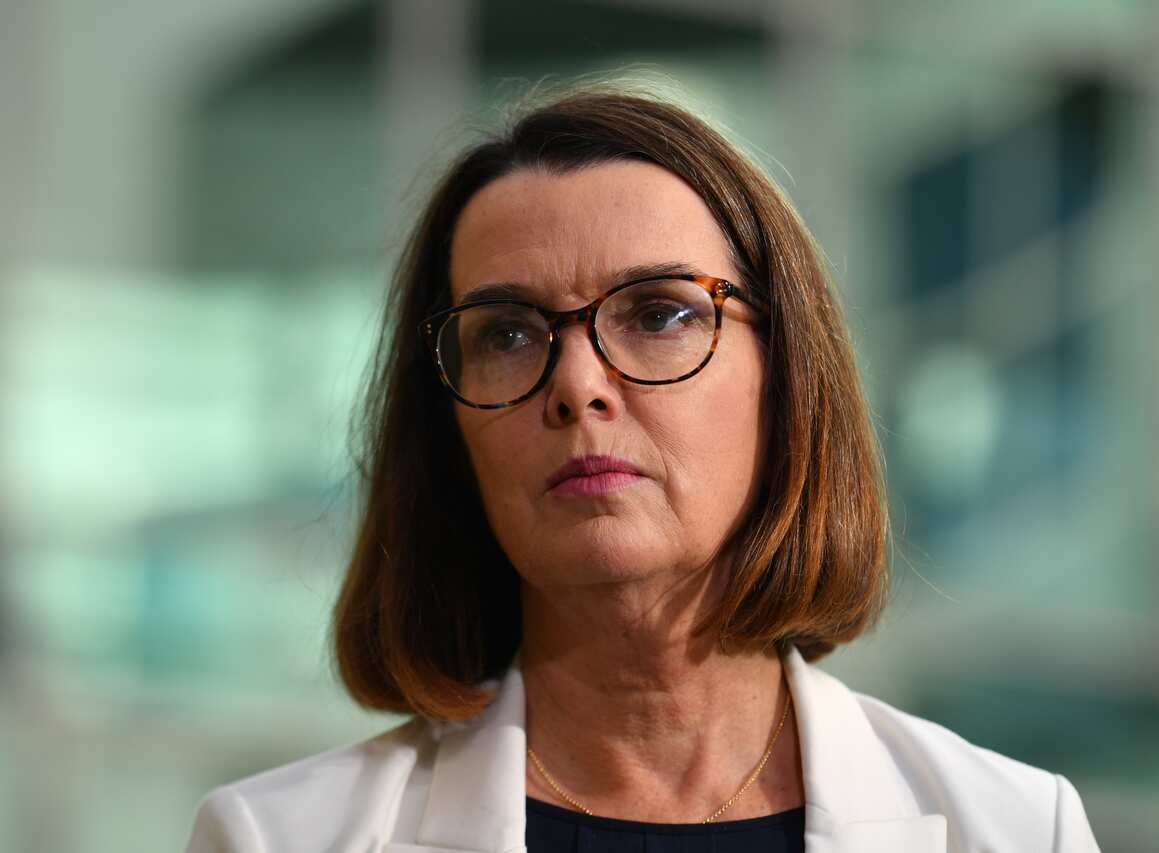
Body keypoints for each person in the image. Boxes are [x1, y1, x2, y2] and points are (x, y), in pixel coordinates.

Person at [184, 84, 1102, 852]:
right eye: (506, 334)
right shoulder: (279, 838)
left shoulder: (1018, 828)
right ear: (449, 428)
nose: (577, 385)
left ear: (788, 379)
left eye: (658, 313)